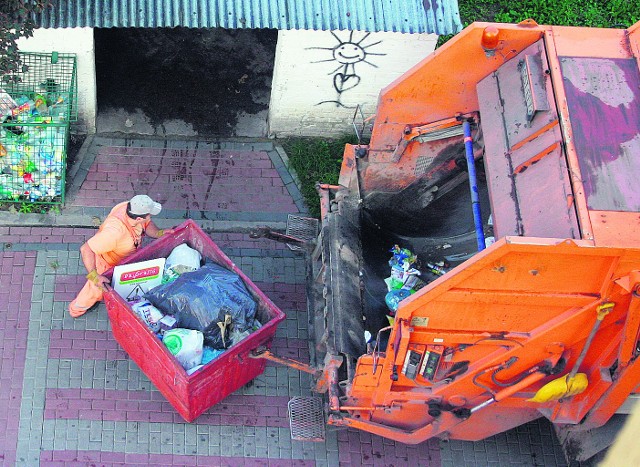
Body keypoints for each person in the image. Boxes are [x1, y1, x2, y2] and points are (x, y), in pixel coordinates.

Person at [68, 194, 174, 318]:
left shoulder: (128, 207)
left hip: (123, 260)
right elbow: (86, 249)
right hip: (107, 264)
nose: (150, 217)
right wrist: (95, 276)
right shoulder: (114, 233)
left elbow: (147, 224)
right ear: (139, 218)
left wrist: (158, 233)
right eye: (149, 214)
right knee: (95, 290)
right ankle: (76, 309)